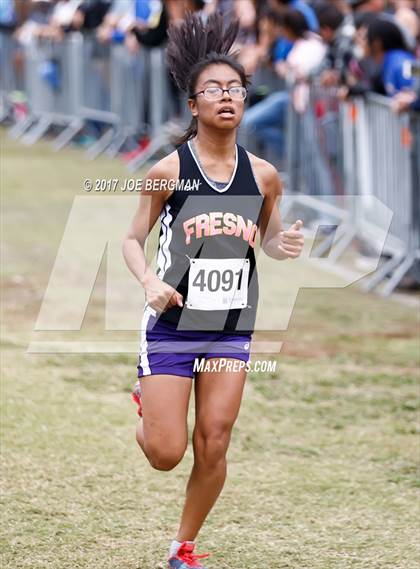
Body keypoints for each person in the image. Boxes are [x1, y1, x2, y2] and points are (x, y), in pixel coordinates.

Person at [122, 11, 304, 569]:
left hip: (230, 328)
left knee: (215, 440)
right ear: (193, 105)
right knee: (165, 453)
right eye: (213, 90)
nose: (227, 97)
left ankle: (182, 549)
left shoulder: (264, 175)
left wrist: (283, 245)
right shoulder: (168, 171)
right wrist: (150, 280)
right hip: (174, 324)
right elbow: (132, 240)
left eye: (235, 88)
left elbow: (267, 242)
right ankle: (148, 401)